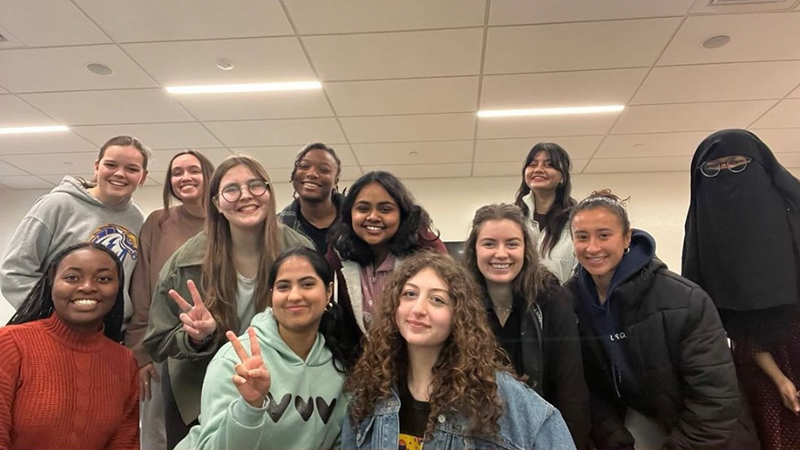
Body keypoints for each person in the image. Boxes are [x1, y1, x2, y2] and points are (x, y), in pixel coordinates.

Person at [143, 155, 313, 449]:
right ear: (217, 203)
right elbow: (157, 340)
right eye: (232, 189)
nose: (245, 195)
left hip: (283, 395)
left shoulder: (300, 251)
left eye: (255, 186)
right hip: (199, 398)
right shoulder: (184, 263)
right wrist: (197, 338)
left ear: (270, 193)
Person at [568, 190, 749, 450]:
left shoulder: (685, 299)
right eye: (582, 237)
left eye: (604, 235)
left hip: (704, 436)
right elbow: (589, 391)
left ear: (627, 237)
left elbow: (715, 401)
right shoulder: (570, 301)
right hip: (635, 425)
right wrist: (615, 442)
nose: (592, 247)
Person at [341, 251, 576, 450]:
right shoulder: (371, 396)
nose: (418, 309)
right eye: (410, 294)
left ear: (459, 316)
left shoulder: (498, 397)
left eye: (437, 300)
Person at [683, 129, 800, 450]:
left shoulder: (795, 225)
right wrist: (778, 378)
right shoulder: (704, 235)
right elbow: (725, 325)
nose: (725, 174)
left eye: (736, 163)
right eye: (712, 169)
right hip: (756, 370)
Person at [176, 247, 349, 450]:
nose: (294, 296)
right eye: (283, 287)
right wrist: (250, 406)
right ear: (271, 295)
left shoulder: (340, 365)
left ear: (328, 292)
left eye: (307, 284)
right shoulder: (235, 361)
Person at [463, 203, 590, 449]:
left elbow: (570, 386)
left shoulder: (552, 298)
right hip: (479, 435)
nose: (501, 254)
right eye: (489, 244)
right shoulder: (460, 303)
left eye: (512, 244)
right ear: (474, 249)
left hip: (544, 432)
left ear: (525, 249)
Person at [0, 242, 139, 450]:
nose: (87, 287)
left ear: (118, 288)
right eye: (72, 277)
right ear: (51, 283)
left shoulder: (125, 362)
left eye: (104, 279)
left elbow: (124, 443)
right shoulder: (10, 344)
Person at [1, 135, 150, 323]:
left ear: (143, 176)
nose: (120, 173)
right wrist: (51, 314)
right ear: (97, 166)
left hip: (109, 333)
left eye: (131, 169)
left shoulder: (136, 218)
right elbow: (14, 271)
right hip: (54, 329)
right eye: (111, 165)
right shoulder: (58, 205)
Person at [125, 150, 214, 450]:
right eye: (177, 172)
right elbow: (142, 291)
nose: (185, 177)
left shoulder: (227, 223)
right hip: (163, 347)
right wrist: (141, 353)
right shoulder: (158, 222)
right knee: (159, 436)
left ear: (210, 176)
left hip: (216, 348)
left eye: (194, 170)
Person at [325, 171, 446, 364]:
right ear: (350, 214)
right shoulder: (337, 254)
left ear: (402, 214)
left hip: (418, 368)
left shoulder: (427, 252)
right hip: (359, 370)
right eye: (363, 208)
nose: (373, 216)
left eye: (385, 209)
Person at [514, 142, 578, 283]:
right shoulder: (513, 219)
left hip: (565, 301)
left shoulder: (576, 221)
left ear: (563, 177)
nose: (538, 169)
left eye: (548, 165)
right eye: (532, 164)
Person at [279, 143, 346, 254]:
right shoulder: (278, 229)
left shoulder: (356, 220)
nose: (312, 174)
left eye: (324, 170)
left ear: (336, 182)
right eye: (304, 166)